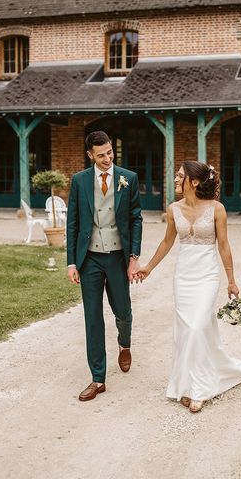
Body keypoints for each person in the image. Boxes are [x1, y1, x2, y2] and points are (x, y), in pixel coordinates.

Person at [137, 161, 241, 413]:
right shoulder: (173, 209)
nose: (174, 180)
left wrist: (231, 280)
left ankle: (201, 388)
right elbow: (167, 242)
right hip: (183, 276)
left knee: (196, 326)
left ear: (193, 181)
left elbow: (223, 246)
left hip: (207, 275)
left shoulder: (217, 209)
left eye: (179, 176)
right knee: (186, 330)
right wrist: (148, 267)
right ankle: (185, 384)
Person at [66, 130, 143, 402]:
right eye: (101, 155)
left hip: (118, 256)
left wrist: (134, 256)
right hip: (90, 259)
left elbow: (136, 219)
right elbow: (72, 222)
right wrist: (72, 262)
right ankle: (98, 379)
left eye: (110, 152)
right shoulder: (79, 181)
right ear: (90, 155)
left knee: (122, 311)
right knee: (93, 319)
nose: (107, 158)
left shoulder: (128, 178)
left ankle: (125, 344)